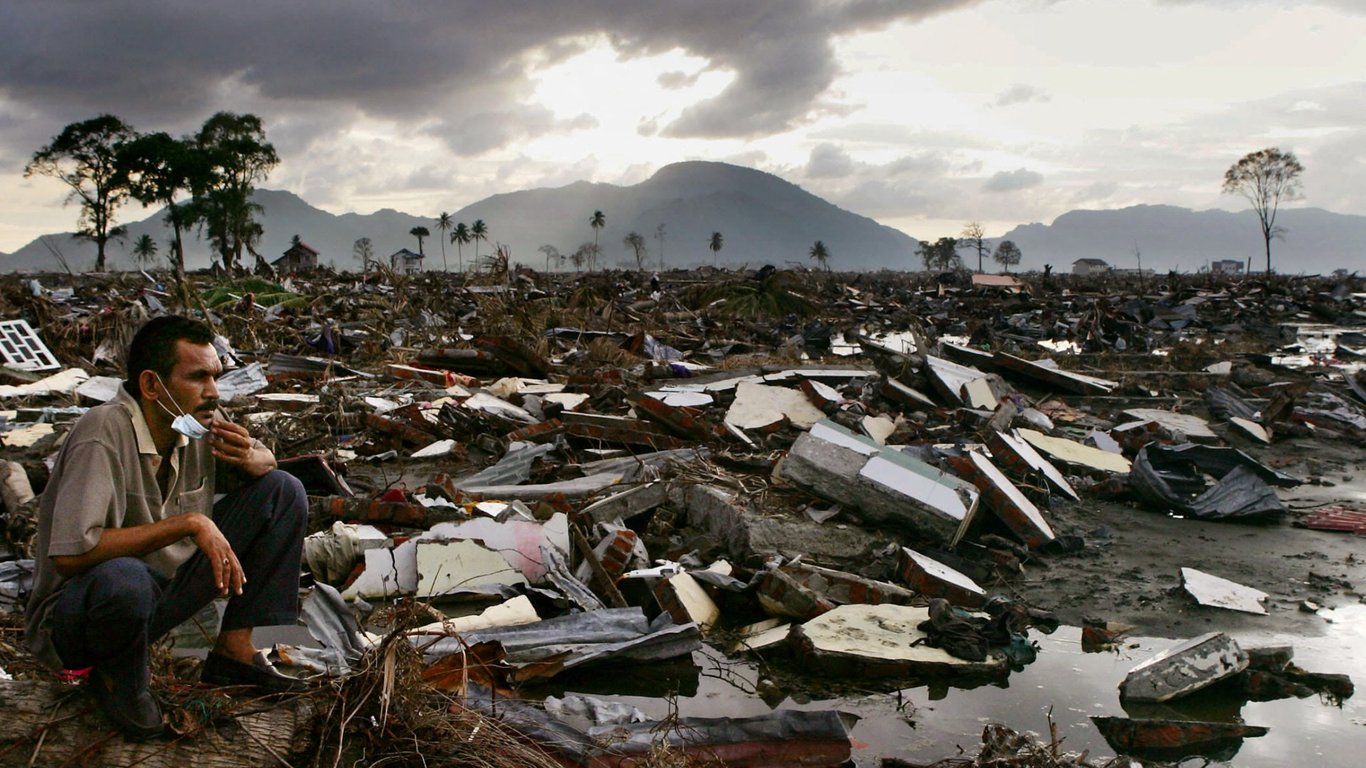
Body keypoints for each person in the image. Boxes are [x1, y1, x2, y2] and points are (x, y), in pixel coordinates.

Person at [25, 316, 309, 740]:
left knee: (284, 491)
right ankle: (118, 680)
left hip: (156, 599)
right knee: (125, 575)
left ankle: (234, 650)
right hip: (81, 617)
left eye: (215, 376)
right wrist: (191, 523)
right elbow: (70, 555)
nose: (213, 391)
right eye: (198, 377)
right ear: (152, 386)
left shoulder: (193, 422)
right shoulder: (103, 431)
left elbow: (266, 469)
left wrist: (256, 458)